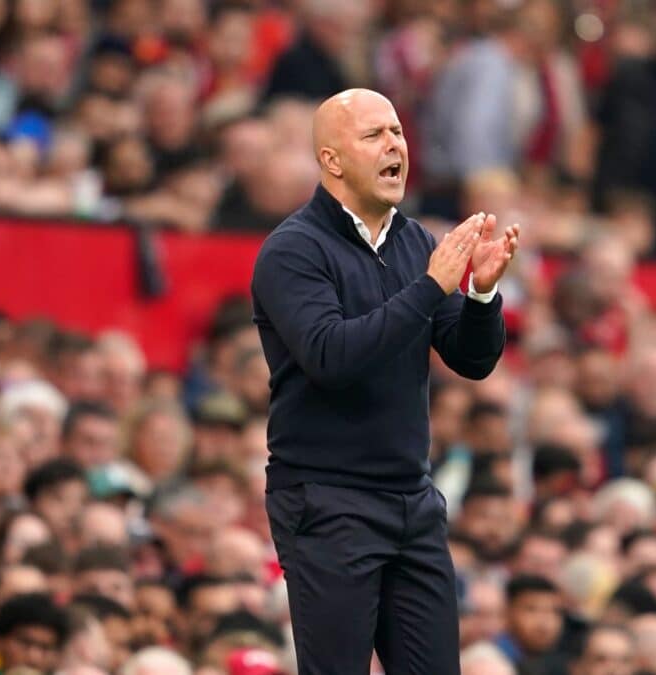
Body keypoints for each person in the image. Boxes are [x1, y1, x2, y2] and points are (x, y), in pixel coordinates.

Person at [250, 88, 519, 674]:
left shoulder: (417, 243)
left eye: (397, 131)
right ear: (332, 161)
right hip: (326, 499)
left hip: (411, 499)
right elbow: (332, 357)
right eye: (374, 135)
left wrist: (480, 293)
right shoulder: (293, 250)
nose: (395, 144)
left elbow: (473, 361)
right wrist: (430, 287)